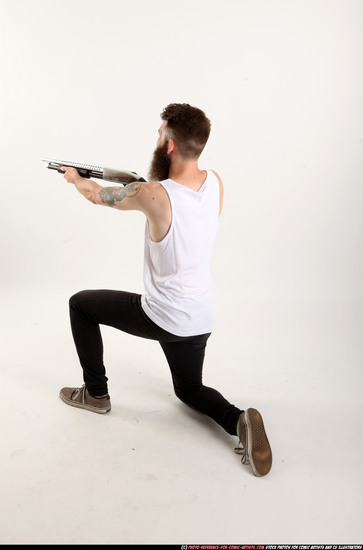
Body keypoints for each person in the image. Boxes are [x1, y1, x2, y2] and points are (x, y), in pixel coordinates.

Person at [60, 103, 272, 477]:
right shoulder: (215, 182)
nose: (156, 139)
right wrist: (141, 186)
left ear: (171, 145)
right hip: (200, 316)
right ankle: (238, 421)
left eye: (160, 134)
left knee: (81, 305)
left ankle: (95, 394)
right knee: (189, 390)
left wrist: (76, 178)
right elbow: (183, 215)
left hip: (162, 314)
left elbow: (96, 195)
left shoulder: (153, 194)